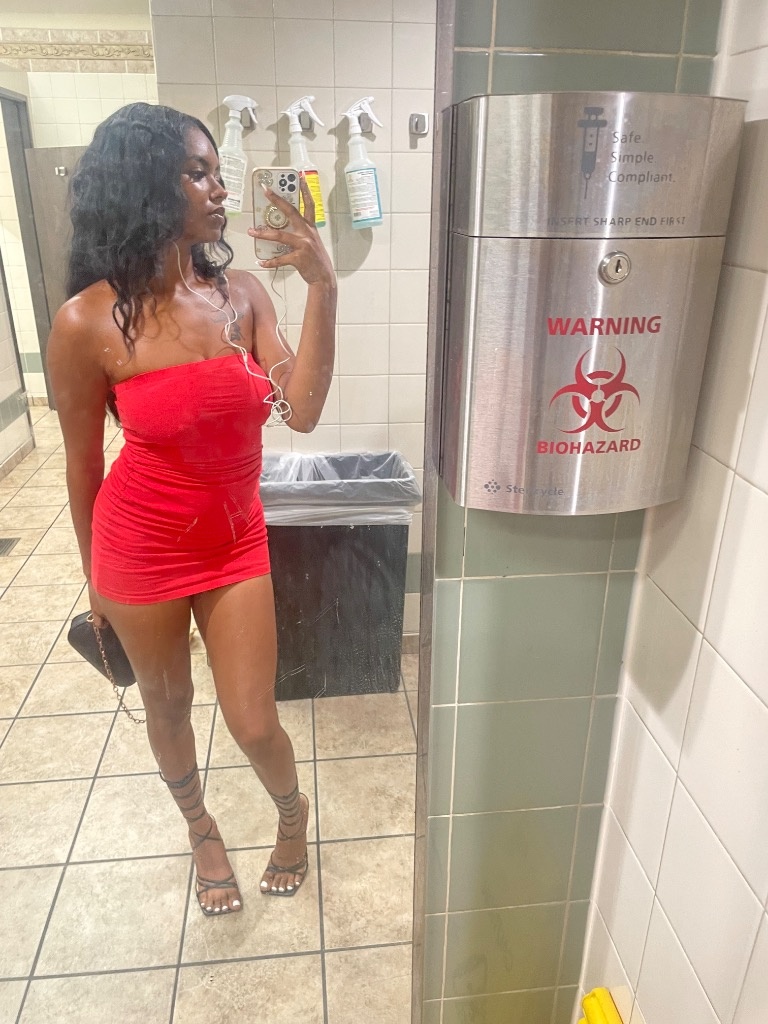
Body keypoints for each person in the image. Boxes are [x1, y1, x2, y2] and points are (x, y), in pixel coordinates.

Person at [47, 103, 336, 915]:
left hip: (235, 541)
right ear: (145, 184)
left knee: (253, 721)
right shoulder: (85, 322)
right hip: (137, 548)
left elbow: (302, 410)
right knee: (167, 706)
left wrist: (324, 288)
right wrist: (95, 582)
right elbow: (81, 467)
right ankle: (201, 830)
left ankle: (291, 816)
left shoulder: (241, 297)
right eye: (198, 173)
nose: (219, 188)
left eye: (216, 172)